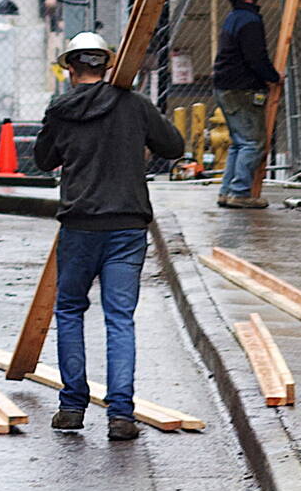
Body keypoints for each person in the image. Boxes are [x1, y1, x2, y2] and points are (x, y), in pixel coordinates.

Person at [31, 32, 186, 440]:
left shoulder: (60, 109)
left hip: (80, 224)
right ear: (107, 65)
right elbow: (173, 146)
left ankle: (71, 406)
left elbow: (44, 159)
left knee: (69, 312)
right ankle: (120, 415)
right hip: (127, 225)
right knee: (119, 318)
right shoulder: (133, 105)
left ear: (69, 68)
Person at [213, 0, 281, 209]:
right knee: (252, 143)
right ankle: (240, 192)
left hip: (226, 86)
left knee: (239, 143)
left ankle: (227, 191)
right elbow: (255, 56)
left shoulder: (233, 18)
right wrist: (272, 77)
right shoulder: (249, 20)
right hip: (242, 87)